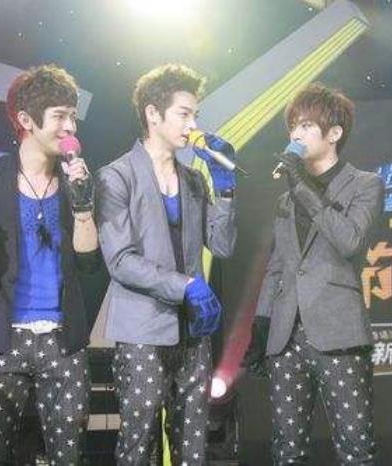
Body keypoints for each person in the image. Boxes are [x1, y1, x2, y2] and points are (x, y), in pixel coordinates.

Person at [94, 63, 237, 465]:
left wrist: (226, 193)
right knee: (139, 444)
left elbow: (223, 246)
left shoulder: (193, 179)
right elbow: (120, 261)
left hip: (193, 332)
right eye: (184, 114)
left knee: (193, 444)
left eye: (196, 115)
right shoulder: (116, 176)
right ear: (153, 114)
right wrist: (185, 285)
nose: (193, 125)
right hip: (142, 330)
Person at [0, 64, 99, 464]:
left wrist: (83, 207)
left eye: (73, 116)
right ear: (25, 120)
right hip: (0, 341)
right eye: (59, 116)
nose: (70, 127)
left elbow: (89, 262)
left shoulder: (76, 181)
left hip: (63, 341)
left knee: (68, 455)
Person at [243, 83, 384, 465]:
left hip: (339, 333)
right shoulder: (287, 197)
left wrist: (303, 188)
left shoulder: (365, 184)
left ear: (334, 133)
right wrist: (260, 327)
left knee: (355, 447)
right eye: (293, 126)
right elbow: (278, 266)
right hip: (286, 336)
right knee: (287, 449)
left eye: (306, 126)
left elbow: (350, 240)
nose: (295, 134)